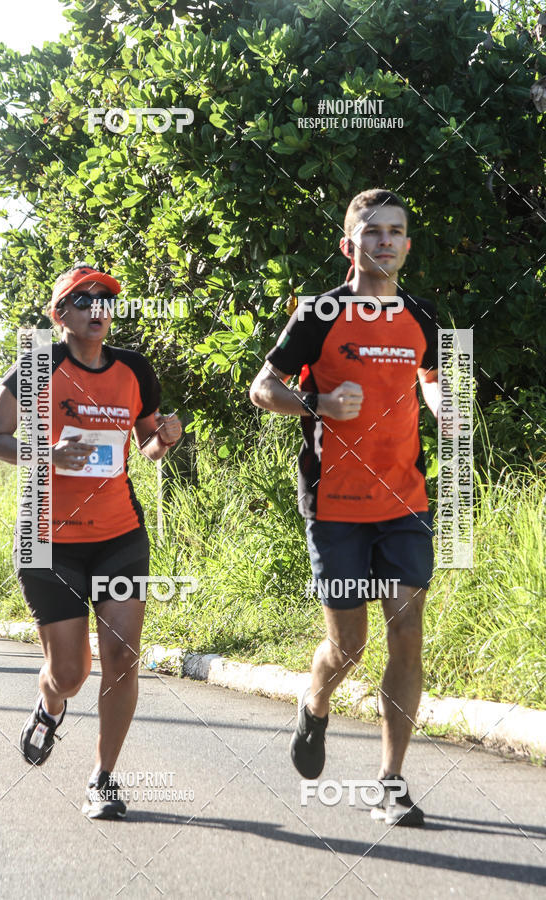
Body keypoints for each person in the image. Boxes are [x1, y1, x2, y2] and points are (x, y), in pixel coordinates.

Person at [250, 189, 443, 827]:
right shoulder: (320, 313)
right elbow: (264, 387)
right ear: (349, 244)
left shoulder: (422, 314)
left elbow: (440, 382)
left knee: (406, 633)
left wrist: (449, 406)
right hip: (334, 504)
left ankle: (390, 780)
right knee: (350, 645)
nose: (385, 241)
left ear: (408, 245)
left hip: (406, 501)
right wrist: (320, 406)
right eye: (372, 232)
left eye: (396, 231)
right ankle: (316, 701)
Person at [0, 263, 182, 819]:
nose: (98, 307)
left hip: (119, 534)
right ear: (59, 314)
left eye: (107, 298)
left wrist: (166, 437)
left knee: (121, 657)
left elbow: (146, 445)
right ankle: (49, 707)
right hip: (47, 540)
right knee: (71, 674)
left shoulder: (135, 370)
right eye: (84, 298)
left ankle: (104, 778)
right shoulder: (39, 364)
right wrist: (46, 454)